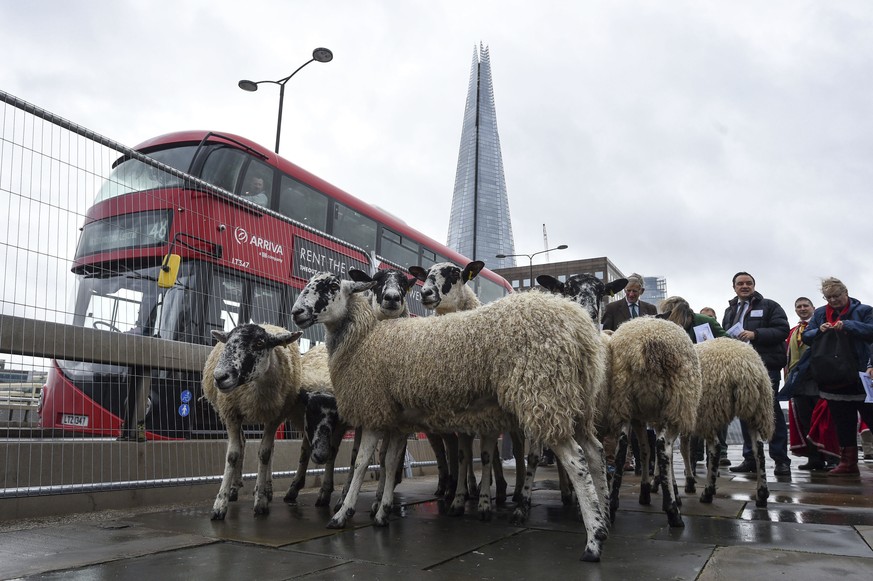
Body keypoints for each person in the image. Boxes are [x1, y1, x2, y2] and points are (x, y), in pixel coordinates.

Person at [802, 277, 873, 476]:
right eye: (828, 297)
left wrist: (849, 325)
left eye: (836, 296)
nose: (833, 300)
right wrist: (819, 329)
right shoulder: (819, 314)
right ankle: (848, 463)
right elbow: (807, 336)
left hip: (860, 373)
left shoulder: (864, 310)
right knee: (843, 421)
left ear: (846, 293)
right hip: (832, 375)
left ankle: (849, 462)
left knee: (870, 416)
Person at [723, 272, 791, 476]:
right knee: (744, 409)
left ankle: (780, 460)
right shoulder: (730, 309)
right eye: (740, 283)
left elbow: (782, 330)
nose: (744, 286)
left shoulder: (770, 306)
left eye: (748, 283)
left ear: (754, 285)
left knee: (770, 410)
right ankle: (750, 458)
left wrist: (756, 334)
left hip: (766, 365)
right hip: (740, 366)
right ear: (734, 287)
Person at [661, 296, 729, 472]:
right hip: (685, 378)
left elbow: (726, 340)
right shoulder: (669, 327)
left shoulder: (705, 321)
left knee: (713, 416)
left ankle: (717, 455)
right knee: (689, 418)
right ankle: (691, 458)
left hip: (710, 375)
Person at [601, 273, 657, 474]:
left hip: (642, 367)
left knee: (640, 417)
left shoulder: (650, 310)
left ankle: (637, 459)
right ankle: (616, 458)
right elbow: (605, 333)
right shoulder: (613, 308)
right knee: (618, 415)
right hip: (620, 364)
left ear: (641, 291)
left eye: (635, 291)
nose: (631, 294)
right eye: (628, 291)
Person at [784, 297, 832, 470]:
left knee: (824, 421)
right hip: (798, 383)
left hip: (818, 380)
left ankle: (832, 457)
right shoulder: (793, 332)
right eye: (799, 307)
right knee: (806, 422)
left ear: (813, 308)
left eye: (806, 306)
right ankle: (814, 458)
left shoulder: (823, 328)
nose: (802, 309)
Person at [700, 306, 730, 463]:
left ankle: (722, 451)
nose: (709, 320)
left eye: (712, 317)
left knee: (720, 416)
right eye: (706, 317)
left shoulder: (721, 335)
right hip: (701, 380)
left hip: (718, 381)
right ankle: (698, 453)